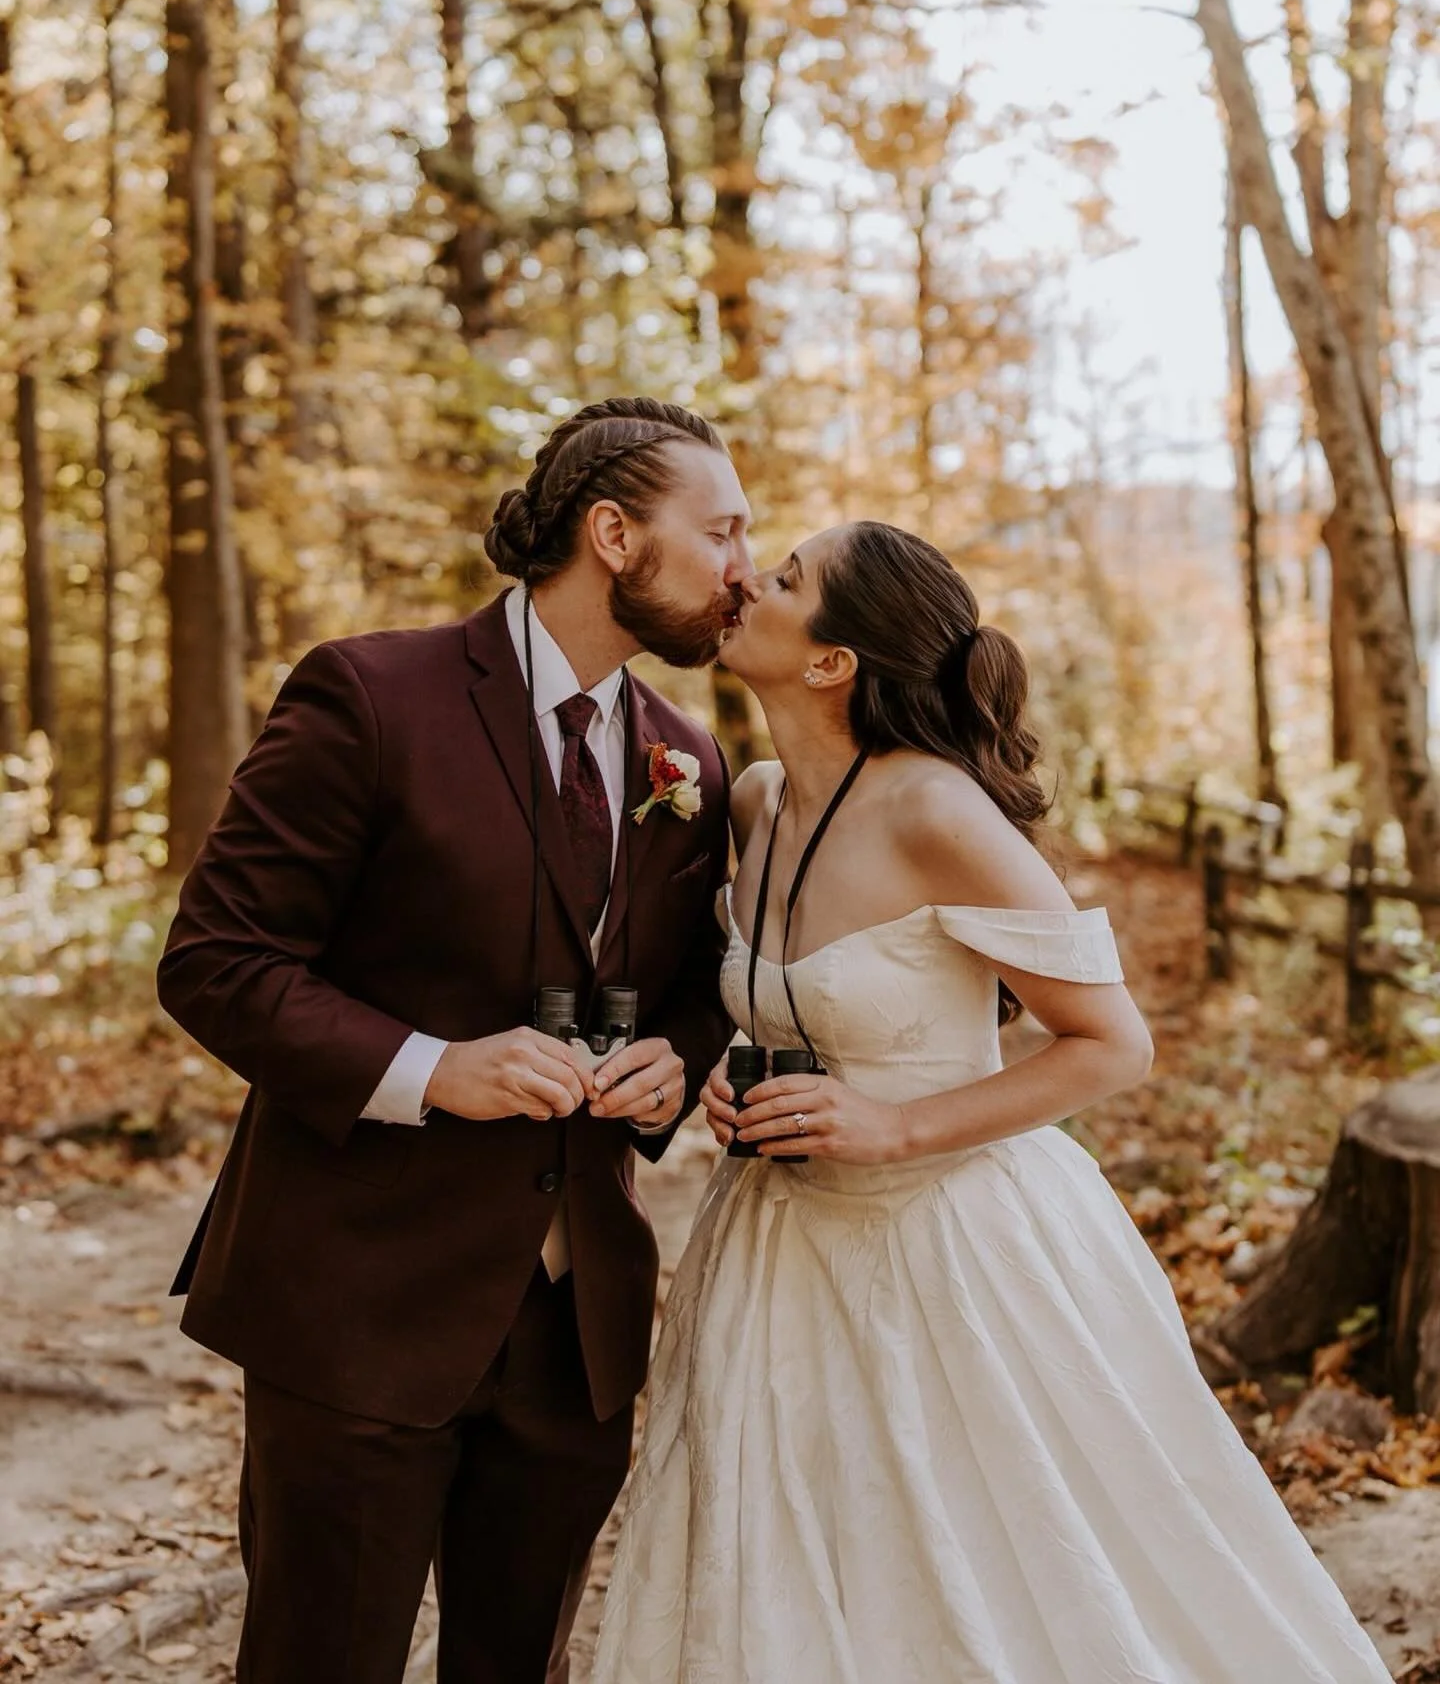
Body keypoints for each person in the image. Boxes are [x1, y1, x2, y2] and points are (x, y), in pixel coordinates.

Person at [592, 520, 1390, 1683]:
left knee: (999, 1559)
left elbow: (1113, 1042)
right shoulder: (757, 803)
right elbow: (789, 1003)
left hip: (953, 1250)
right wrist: (736, 1069)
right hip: (777, 1254)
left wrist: (896, 1126)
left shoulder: (937, 813)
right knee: (797, 1553)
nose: (744, 583)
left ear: (832, 662)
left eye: (783, 578)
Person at [156, 398, 754, 1684]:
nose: (744, 568)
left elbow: (694, 986)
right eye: (720, 532)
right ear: (614, 535)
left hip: (575, 1328)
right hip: (357, 1303)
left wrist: (672, 1060)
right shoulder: (371, 694)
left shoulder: (687, 759)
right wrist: (435, 1072)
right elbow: (218, 962)